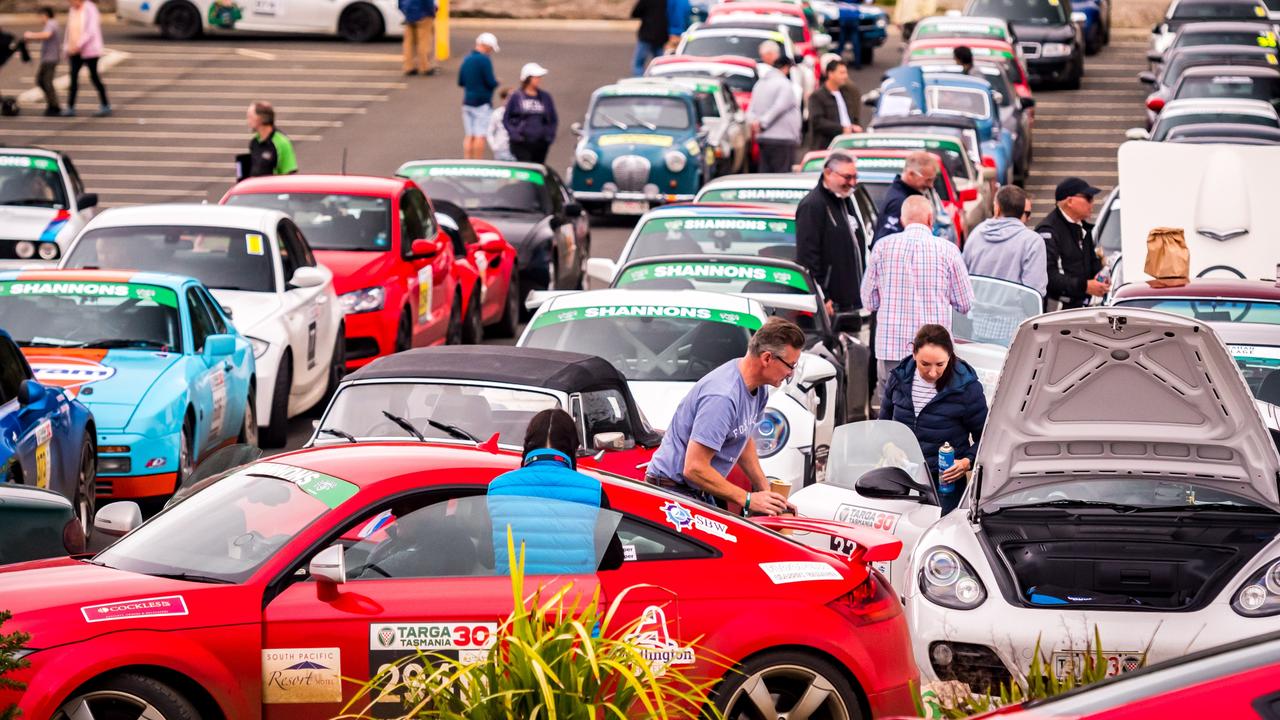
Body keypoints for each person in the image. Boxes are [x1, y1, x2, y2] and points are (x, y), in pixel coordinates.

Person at [644, 317, 803, 515]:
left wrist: (766, 493)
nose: (790, 374)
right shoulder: (723, 397)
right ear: (767, 358)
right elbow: (694, 468)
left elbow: (743, 440)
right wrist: (748, 499)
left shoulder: (758, 387)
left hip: (695, 490)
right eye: (790, 365)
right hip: (672, 491)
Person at [862, 195, 974, 403]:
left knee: (892, 412)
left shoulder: (882, 247)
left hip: (891, 347)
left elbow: (869, 301)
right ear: (930, 219)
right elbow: (965, 303)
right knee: (933, 410)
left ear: (903, 220)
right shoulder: (948, 250)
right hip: (935, 352)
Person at [487, 409, 619, 575]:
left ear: (527, 444)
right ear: (574, 446)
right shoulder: (593, 489)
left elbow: (486, 556)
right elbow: (612, 558)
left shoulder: (498, 487)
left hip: (516, 597)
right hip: (574, 597)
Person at [880, 324, 987, 514]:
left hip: (945, 483)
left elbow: (987, 438)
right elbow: (883, 425)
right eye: (925, 364)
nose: (932, 372)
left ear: (950, 357)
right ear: (913, 353)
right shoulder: (898, 379)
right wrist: (888, 446)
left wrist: (965, 462)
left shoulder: (967, 388)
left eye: (940, 364)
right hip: (902, 478)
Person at [796, 150, 863, 315]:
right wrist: (823, 297)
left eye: (855, 177)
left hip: (850, 302)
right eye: (847, 177)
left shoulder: (844, 199)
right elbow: (808, 257)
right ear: (828, 173)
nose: (853, 182)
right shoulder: (813, 205)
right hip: (831, 306)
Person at [961, 185, 1048, 296]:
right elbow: (1035, 291)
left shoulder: (976, 234)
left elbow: (962, 279)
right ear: (1022, 212)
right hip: (1015, 312)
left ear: (997, 209)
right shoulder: (1032, 242)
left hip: (976, 311)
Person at [1038, 177, 1107, 310]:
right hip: (1059, 309)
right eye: (1088, 198)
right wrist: (1085, 286)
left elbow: (1090, 264)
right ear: (1070, 201)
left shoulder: (1083, 227)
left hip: (1084, 305)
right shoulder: (1048, 231)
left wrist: (1101, 277)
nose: (1092, 203)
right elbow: (1048, 276)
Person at [749, 42, 802, 173]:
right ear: (785, 68)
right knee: (781, 177)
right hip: (782, 139)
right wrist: (762, 123)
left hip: (764, 138)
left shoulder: (760, 84)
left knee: (766, 175)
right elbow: (779, 107)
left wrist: (754, 123)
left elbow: (751, 109)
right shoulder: (784, 84)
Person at [871, 150, 937, 246]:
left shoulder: (903, 195)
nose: (931, 185)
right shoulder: (899, 202)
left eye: (933, 180)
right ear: (911, 174)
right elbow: (887, 243)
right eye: (928, 180)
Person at [504, 63, 558, 164]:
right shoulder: (516, 97)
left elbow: (553, 119)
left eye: (539, 77)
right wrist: (515, 134)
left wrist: (549, 136)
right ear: (527, 79)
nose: (538, 80)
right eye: (535, 77)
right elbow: (506, 119)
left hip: (540, 143)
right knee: (525, 169)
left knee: (537, 170)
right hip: (521, 143)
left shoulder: (545, 97)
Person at [62, 0, 108, 117]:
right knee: (73, 78)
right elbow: (69, 30)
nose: (70, 3)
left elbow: (91, 30)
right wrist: (67, 47)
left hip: (89, 50)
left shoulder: (90, 8)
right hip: (74, 51)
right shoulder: (73, 10)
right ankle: (70, 106)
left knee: (94, 77)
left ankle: (105, 104)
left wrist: (79, 45)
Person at [458, 32, 500, 159]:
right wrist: (497, 82)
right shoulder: (484, 60)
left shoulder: (467, 59)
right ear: (487, 46)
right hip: (482, 103)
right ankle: (477, 162)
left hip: (467, 102)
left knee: (469, 135)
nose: (491, 51)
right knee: (480, 135)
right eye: (491, 48)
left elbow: (461, 81)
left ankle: (467, 161)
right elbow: (490, 81)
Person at [808, 59, 862, 150]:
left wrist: (852, 127)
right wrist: (842, 129)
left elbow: (851, 117)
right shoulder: (817, 96)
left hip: (848, 144)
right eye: (841, 73)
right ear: (830, 74)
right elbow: (817, 121)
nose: (845, 76)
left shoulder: (846, 93)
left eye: (845, 73)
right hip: (828, 146)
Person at [244, 101, 298, 177]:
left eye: (250, 117)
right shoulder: (254, 142)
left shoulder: (282, 142)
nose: (248, 121)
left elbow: (289, 174)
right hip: (256, 188)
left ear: (260, 118)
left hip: (273, 188)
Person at [25, 7, 61, 117]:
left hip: (50, 58)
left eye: (41, 16)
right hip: (48, 58)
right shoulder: (51, 24)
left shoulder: (51, 23)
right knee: (42, 81)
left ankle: (54, 106)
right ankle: (52, 104)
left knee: (46, 81)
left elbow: (46, 35)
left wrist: (31, 35)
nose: (40, 19)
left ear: (45, 15)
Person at [398, 0, 436, 76]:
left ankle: (409, 67)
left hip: (409, 16)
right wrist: (432, 13)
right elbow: (429, 3)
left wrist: (406, 12)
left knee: (409, 43)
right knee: (424, 42)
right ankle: (425, 67)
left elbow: (400, 4)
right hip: (424, 16)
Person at [631, 0, 667, 76]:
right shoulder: (667, 1)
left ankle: (639, 82)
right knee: (660, 63)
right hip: (661, 35)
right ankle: (660, 80)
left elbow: (635, 12)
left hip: (646, 34)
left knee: (639, 63)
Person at [487, 87, 515, 161]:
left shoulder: (519, 113)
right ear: (503, 99)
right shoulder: (497, 113)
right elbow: (489, 132)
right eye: (508, 97)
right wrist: (494, 146)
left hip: (515, 150)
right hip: (501, 150)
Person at [834, 1, 862, 68]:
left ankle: (835, 62)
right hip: (854, 18)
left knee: (841, 42)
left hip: (844, 17)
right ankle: (857, 63)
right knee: (856, 43)